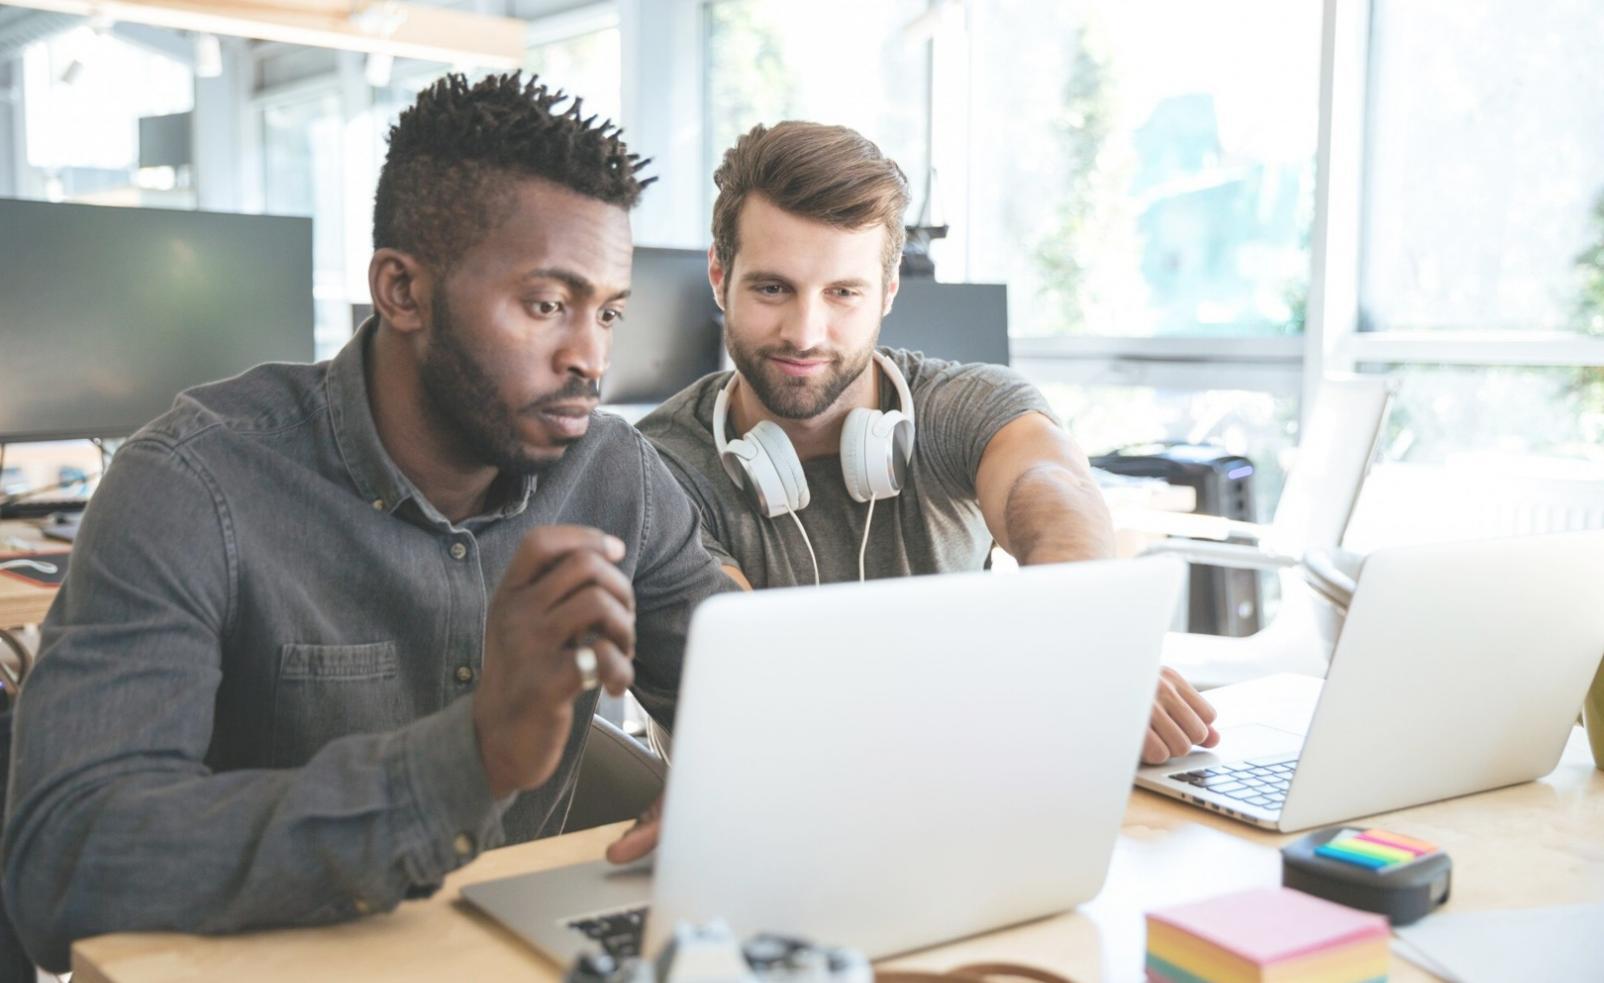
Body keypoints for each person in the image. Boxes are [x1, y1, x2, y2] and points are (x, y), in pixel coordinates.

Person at [3, 73, 730, 971]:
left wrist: (743, 794)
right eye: (547, 304)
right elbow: (63, 867)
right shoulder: (191, 484)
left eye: (608, 311)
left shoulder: (613, 470)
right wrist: (468, 759)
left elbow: (745, 691)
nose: (591, 357)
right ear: (401, 289)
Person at [634, 119, 1218, 781]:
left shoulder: (962, 405)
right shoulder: (655, 466)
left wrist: (1095, 643)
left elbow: (1052, 489)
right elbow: (762, 686)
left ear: (886, 292)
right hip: (766, 821)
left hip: (964, 791)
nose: (805, 331)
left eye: (843, 293)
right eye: (773, 288)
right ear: (719, 275)